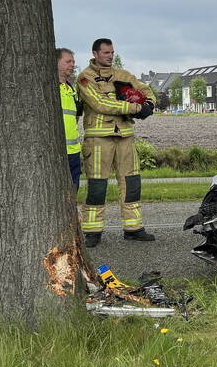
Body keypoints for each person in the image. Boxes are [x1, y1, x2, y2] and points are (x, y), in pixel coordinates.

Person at [77, 38, 156, 247]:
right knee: (97, 186)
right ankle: (92, 232)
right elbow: (100, 104)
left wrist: (148, 104)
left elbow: (146, 91)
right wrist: (133, 108)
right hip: (98, 139)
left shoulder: (124, 75)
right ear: (95, 53)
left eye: (112, 52)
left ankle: (134, 228)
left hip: (125, 137)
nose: (110, 56)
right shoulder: (85, 77)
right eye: (105, 53)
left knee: (131, 184)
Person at [57, 48, 83, 190]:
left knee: (74, 187)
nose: (72, 64)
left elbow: (75, 118)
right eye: (68, 61)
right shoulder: (50, 89)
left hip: (73, 150)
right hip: (57, 151)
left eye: (73, 61)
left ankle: (72, 212)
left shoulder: (71, 89)